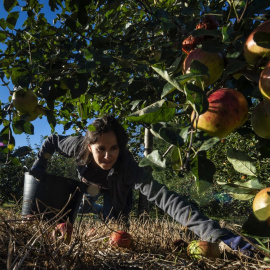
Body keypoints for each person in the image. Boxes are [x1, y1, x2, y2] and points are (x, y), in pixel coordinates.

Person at [30, 115, 256, 256]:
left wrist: (215, 234)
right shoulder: (77, 146)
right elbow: (51, 141)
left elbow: (165, 198)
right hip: (88, 185)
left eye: (114, 149)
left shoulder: (128, 167)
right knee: (72, 210)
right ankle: (89, 207)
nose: (108, 156)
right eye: (101, 149)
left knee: (116, 228)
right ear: (90, 147)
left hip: (116, 189)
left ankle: (100, 210)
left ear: (121, 148)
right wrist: (40, 164)